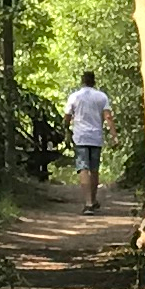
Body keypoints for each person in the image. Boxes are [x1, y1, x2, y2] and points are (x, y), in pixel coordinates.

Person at [61, 70, 113, 215]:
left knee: (83, 169)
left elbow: (67, 117)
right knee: (94, 169)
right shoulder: (101, 97)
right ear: (94, 81)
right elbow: (108, 117)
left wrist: (66, 130)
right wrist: (114, 136)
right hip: (96, 137)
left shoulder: (74, 97)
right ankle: (94, 199)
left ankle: (88, 203)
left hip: (80, 137)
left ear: (82, 81)